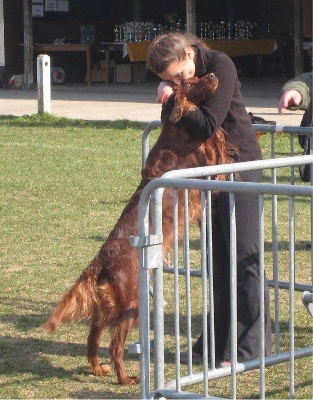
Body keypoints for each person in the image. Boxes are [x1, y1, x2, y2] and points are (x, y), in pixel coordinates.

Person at [146, 32, 272, 366]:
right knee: (218, 258)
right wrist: (174, 96)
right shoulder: (185, 79)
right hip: (209, 171)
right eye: (169, 80)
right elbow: (173, 122)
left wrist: (175, 99)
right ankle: (216, 340)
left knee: (243, 255)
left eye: (179, 74)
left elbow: (206, 123)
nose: (178, 81)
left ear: (189, 53)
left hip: (241, 166)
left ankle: (249, 347)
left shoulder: (221, 65)